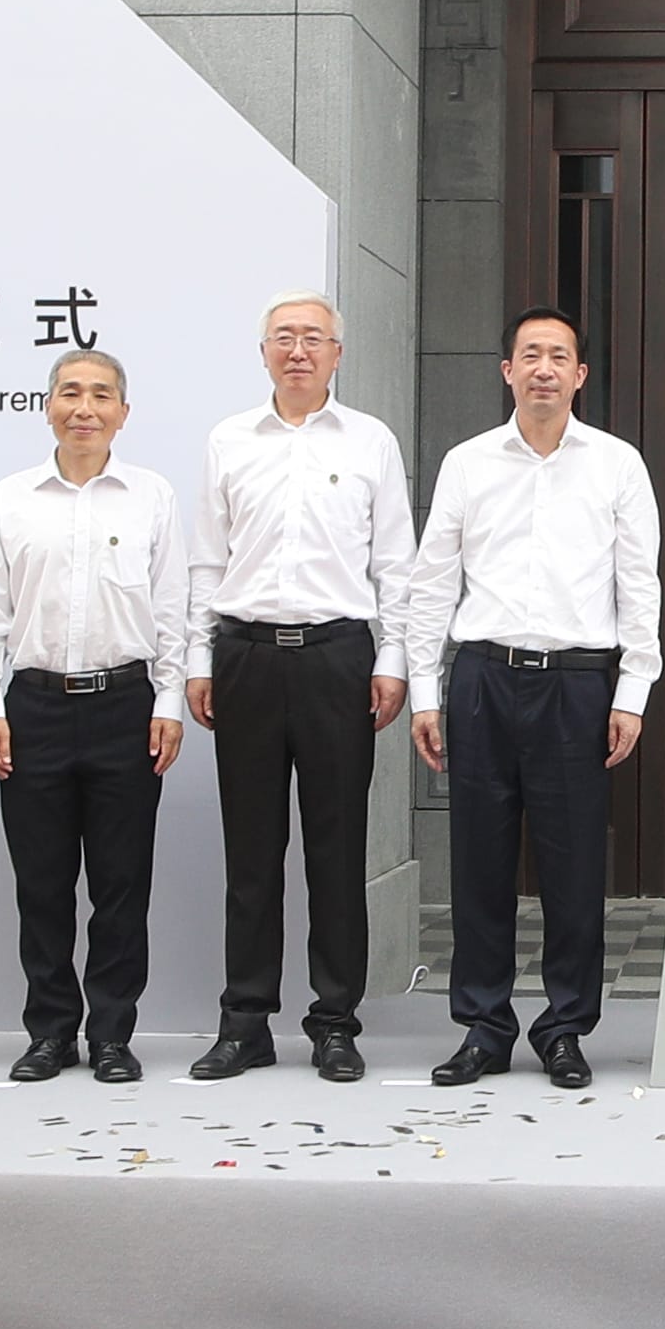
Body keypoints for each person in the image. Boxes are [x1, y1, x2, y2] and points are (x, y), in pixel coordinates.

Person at [405, 308, 663, 1092]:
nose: (544, 368)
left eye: (560, 356)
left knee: (573, 866)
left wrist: (634, 690)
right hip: (482, 678)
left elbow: (638, 585)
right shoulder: (469, 462)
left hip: (578, 684)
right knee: (479, 861)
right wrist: (425, 689)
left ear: (580, 375)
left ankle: (564, 1028)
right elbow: (430, 581)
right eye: (530, 355)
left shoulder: (616, 464)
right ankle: (483, 1026)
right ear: (507, 371)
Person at [189, 293, 416, 1084]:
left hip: (337, 662)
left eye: (313, 339)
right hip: (245, 656)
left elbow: (396, 564)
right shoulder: (229, 441)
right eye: (283, 338)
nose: (298, 351)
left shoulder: (370, 442)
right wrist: (197, 659)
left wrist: (393, 663)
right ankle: (244, 1019)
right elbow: (206, 565)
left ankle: (333, 1022)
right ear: (262, 354)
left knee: (335, 849)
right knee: (250, 856)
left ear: (337, 355)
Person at [0, 349, 187, 1088]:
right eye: (69, 393)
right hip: (33, 709)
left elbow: (173, 612)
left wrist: (168, 702)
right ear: (47, 406)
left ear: (124, 411)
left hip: (126, 706)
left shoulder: (151, 496)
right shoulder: (10, 498)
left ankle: (114, 1034)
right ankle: (50, 1032)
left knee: (123, 884)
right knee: (43, 885)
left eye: (100, 395)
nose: (83, 408)